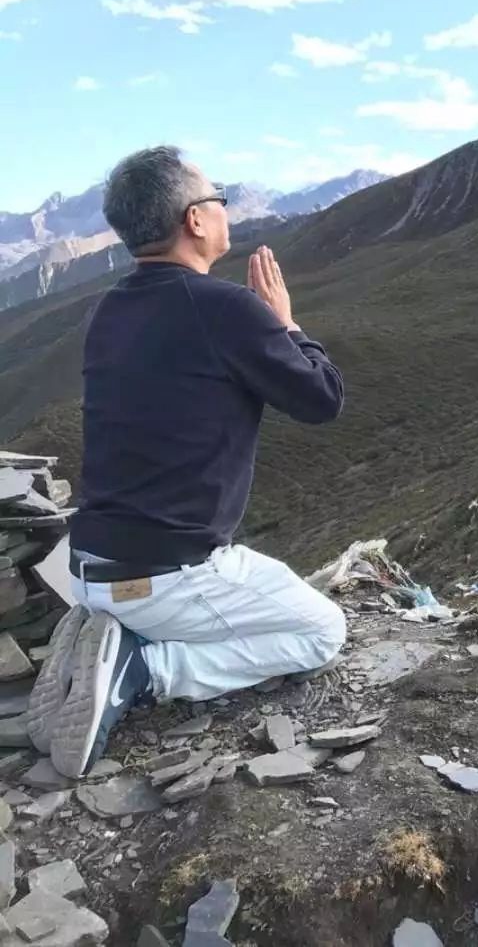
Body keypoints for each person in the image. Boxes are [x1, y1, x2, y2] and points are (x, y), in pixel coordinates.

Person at [28, 146, 347, 778]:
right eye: (217, 197)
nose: (225, 208)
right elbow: (322, 399)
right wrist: (286, 325)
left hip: (89, 565)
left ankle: (103, 634)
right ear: (195, 220)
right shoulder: (224, 307)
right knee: (322, 633)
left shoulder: (109, 308)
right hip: (168, 573)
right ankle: (141, 669)